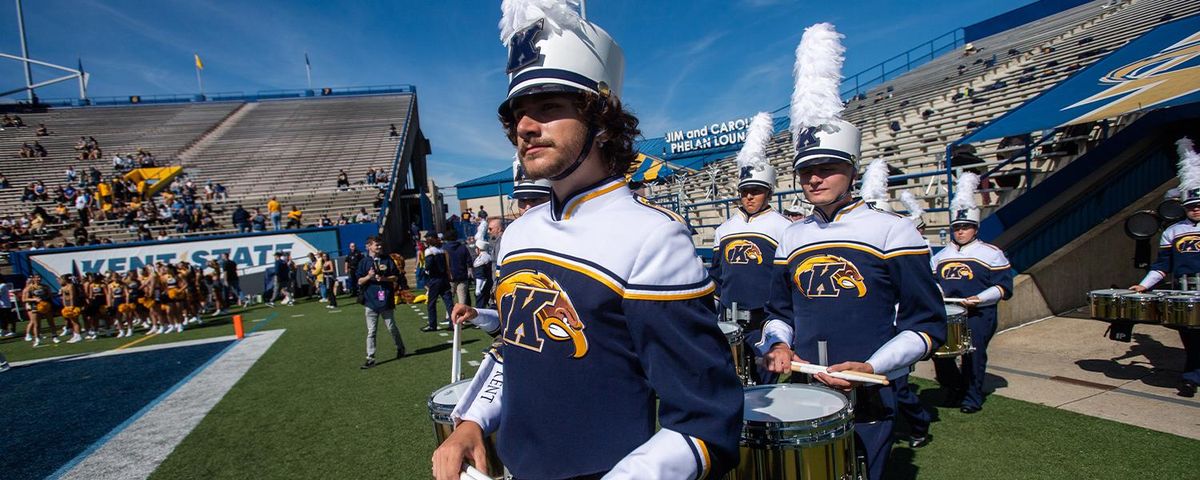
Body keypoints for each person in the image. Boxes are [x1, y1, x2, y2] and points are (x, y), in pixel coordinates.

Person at [433, 6, 741, 478]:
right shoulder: (517, 235)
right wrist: (473, 420)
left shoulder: (654, 237)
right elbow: (517, 347)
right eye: (518, 114)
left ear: (602, 119)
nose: (525, 127)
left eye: (549, 107)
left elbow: (704, 421)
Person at [759, 23, 946, 480]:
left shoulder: (894, 230)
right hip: (807, 385)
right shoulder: (791, 235)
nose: (814, 180)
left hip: (870, 387)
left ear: (851, 169)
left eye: (826, 169)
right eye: (806, 172)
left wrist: (872, 365)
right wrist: (779, 342)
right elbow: (778, 310)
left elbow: (927, 324)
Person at [709, 112, 791, 385]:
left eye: (756, 190)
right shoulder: (723, 229)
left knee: (764, 384)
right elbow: (718, 277)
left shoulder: (784, 227)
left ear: (768, 191)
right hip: (729, 317)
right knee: (733, 381)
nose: (749, 196)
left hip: (763, 317)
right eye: (745, 191)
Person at [931, 172, 1014, 412]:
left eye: (966, 227)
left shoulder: (991, 253)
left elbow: (1003, 287)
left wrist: (979, 298)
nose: (961, 231)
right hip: (948, 312)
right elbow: (932, 281)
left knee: (973, 356)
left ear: (975, 228)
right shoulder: (941, 256)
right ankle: (953, 388)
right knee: (941, 353)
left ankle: (972, 396)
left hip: (979, 313)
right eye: (957, 227)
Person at [1130, 138, 1200, 397]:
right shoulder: (1173, 231)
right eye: (1192, 206)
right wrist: (1144, 285)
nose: (1196, 210)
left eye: (1199, 206)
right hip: (1184, 291)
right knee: (1191, 338)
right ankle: (1191, 377)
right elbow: (1162, 265)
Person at [356, 236, 404, 369]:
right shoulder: (364, 262)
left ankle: (400, 348)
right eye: (376, 245)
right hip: (370, 301)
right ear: (369, 246)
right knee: (371, 331)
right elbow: (359, 281)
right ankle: (370, 357)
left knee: (391, 327)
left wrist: (383, 278)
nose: (379, 247)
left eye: (380, 245)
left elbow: (395, 277)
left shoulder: (388, 260)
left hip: (385, 299)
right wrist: (368, 277)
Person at [421, 232, 452, 332]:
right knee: (448, 302)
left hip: (435, 279)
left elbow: (428, 266)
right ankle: (453, 323)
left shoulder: (429, 251)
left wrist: (425, 271)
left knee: (431, 303)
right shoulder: (442, 250)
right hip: (444, 279)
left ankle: (432, 324)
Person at [24, 274, 59, 347]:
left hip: (46, 306)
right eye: (37, 278)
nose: (39, 279)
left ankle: (54, 336)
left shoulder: (45, 287)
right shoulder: (30, 288)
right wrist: (34, 299)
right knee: (36, 324)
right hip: (35, 306)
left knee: (51, 322)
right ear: (33, 279)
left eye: (40, 278)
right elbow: (24, 299)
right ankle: (37, 338)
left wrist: (47, 299)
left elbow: (50, 295)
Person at [442, 228, 473, 306]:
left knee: (449, 300)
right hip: (462, 276)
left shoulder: (444, 248)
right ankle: (462, 317)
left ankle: (449, 316)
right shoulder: (463, 247)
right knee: (462, 300)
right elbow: (469, 261)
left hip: (450, 277)